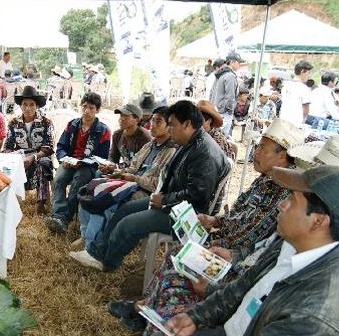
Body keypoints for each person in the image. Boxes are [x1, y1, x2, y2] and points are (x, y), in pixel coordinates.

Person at [144, 165, 339, 336]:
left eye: (292, 200)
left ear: (317, 222)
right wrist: (197, 316)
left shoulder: (318, 316)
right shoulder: (298, 241)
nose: (281, 205)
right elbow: (244, 285)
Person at [125, 119, 303, 336]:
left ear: (282, 158)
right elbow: (240, 215)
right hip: (223, 246)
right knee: (176, 253)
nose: (255, 152)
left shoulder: (285, 198)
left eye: (262, 148)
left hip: (233, 261)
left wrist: (228, 250)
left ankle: (158, 333)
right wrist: (215, 221)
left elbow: (255, 239)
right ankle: (148, 314)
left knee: (176, 278)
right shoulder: (263, 181)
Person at [77, 100, 228, 271]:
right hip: (174, 202)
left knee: (128, 224)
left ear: (187, 124)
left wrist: (163, 200)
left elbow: (197, 196)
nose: (169, 129)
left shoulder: (203, 152)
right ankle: (98, 252)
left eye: (171, 124)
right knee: (124, 210)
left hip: (187, 215)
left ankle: (108, 262)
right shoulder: (191, 141)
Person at [71, 105, 177, 253]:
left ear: (169, 126)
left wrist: (133, 178)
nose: (153, 125)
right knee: (90, 189)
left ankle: (93, 245)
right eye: (152, 120)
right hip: (129, 182)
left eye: (158, 122)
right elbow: (131, 166)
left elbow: (158, 184)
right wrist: (115, 171)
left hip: (143, 191)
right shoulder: (149, 145)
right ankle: (86, 236)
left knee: (104, 199)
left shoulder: (171, 151)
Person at [45, 92, 111, 233]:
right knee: (59, 179)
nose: (86, 111)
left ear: (97, 110)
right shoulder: (73, 124)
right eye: (84, 106)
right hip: (69, 162)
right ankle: (58, 214)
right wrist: (64, 159)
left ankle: (64, 218)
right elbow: (61, 146)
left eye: (91, 108)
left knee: (78, 182)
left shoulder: (103, 130)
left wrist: (83, 162)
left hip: (88, 166)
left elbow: (102, 157)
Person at [4, 86, 54, 214]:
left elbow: (48, 147)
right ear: (20, 106)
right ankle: (10, 203)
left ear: (36, 106)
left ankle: (41, 204)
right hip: (20, 156)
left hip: (40, 155)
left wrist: (34, 157)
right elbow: (8, 147)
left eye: (32, 104)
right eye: (24, 104)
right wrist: (16, 158)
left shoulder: (46, 122)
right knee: (7, 166)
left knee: (41, 164)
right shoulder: (13, 123)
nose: (28, 108)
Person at [102, 103, 151, 170]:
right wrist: (110, 166)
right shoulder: (117, 134)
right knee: (100, 173)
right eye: (121, 115)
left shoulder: (144, 138)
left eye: (126, 116)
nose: (122, 119)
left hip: (136, 174)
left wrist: (120, 171)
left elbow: (142, 166)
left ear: (136, 119)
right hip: (123, 170)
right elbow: (113, 157)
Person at [210, 53, 241, 136]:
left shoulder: (220, 74)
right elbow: (230, 97)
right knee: (221, 138)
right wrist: (230, 111)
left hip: (216, 110)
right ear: (232, 62)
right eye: (238, 62)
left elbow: (212, 92)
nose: (240, 65)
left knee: (216, 137)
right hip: (224, 112)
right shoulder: (230, 75)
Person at [279, 60, 312, 127]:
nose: (309, 76)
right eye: (308, 73)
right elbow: (306, 110)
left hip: (282, 121)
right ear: (302, 71)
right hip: (295, 124)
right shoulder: (304, 88)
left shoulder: (286, 85)